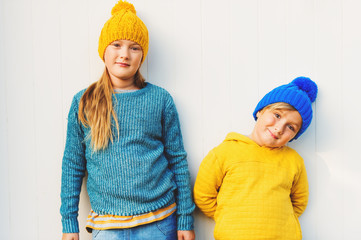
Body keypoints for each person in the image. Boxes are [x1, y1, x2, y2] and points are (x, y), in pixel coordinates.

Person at [60, 1, 195, 239]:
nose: (124, 54)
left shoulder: (160, 99)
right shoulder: (84, 101)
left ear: (143, 55)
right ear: (104, 50)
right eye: (116, 45)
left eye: (134, 47)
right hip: (107, 225)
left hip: (159, 221)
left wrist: (185, 217)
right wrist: (69, 222)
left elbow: (177, 160)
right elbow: (72, 165)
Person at [193, 77, 318, 240]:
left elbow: (299, 202)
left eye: (291, 127)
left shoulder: (294, 161)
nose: (279, 128)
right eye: (277, 115)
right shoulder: (224, 152)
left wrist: (278, 220)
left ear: (294, 136)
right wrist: (228, 217)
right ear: (260, 111)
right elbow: (203, 195)